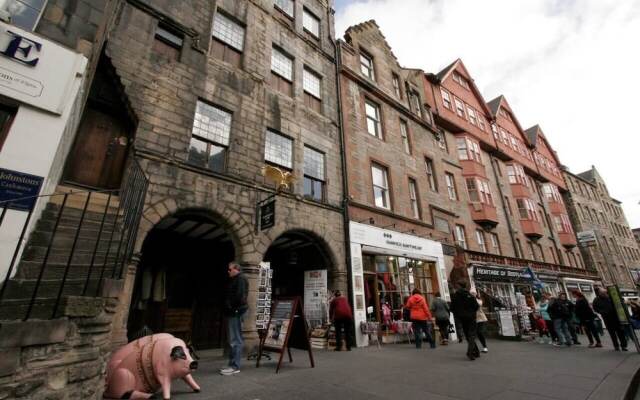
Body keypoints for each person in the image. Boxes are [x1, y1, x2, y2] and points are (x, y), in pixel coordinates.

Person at [220, 262, 248, 375]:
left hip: (236, 312)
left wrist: (232, 308)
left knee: (235, 340)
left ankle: (235, 366)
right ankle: (232, 364)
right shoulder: (237, 279)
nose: (228, 271)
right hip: (234, 311)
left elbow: (240, 296)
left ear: (236, 269)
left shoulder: (240, 279)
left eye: (230, 269)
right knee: (233, 339)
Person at [451, 280, 480, 360]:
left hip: (462, 318)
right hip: (471, 318)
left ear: (459, 286)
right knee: (471, 335)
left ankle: (476, 351)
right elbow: (476, 306)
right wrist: (471, 312)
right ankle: (470, 352)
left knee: (468, 335)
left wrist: (458, 314)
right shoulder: (470, 295)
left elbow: (452, 308)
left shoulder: (455, 296)